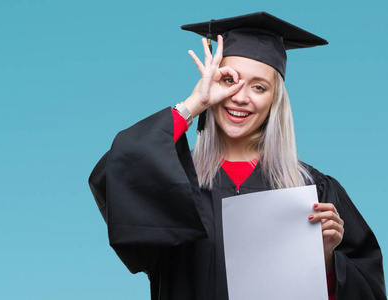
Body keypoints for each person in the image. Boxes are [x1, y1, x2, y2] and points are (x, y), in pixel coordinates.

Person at [89, 12, 386, 300]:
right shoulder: (173, 181)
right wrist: (194, 104)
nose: (241, 97)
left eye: (259, 87)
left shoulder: (313, 190)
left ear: (275, 101)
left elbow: (369, 290)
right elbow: (115, 173)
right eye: (229, 80)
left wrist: (325, 260)